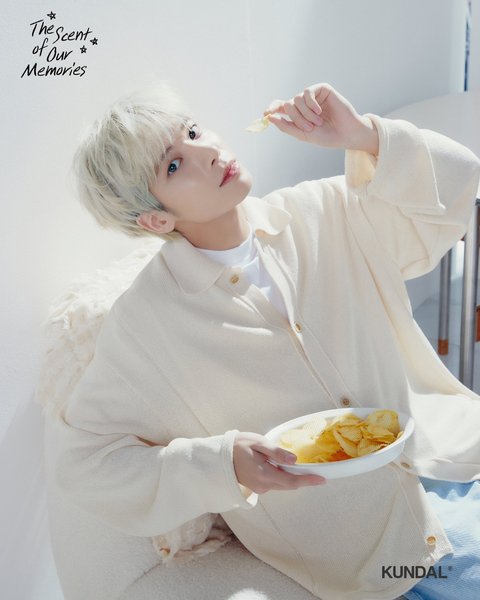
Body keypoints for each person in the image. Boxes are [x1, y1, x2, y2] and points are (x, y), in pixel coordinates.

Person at [53, 82, 480, 600]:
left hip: (453, 454)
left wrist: (364, 136)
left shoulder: (322, 210)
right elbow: (84, 464)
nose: (209, 152)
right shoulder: (147, 324)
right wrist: (222, 465)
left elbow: (458, 186)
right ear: (156, 218)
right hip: (373, 546)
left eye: (193, 132)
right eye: (174, 164)